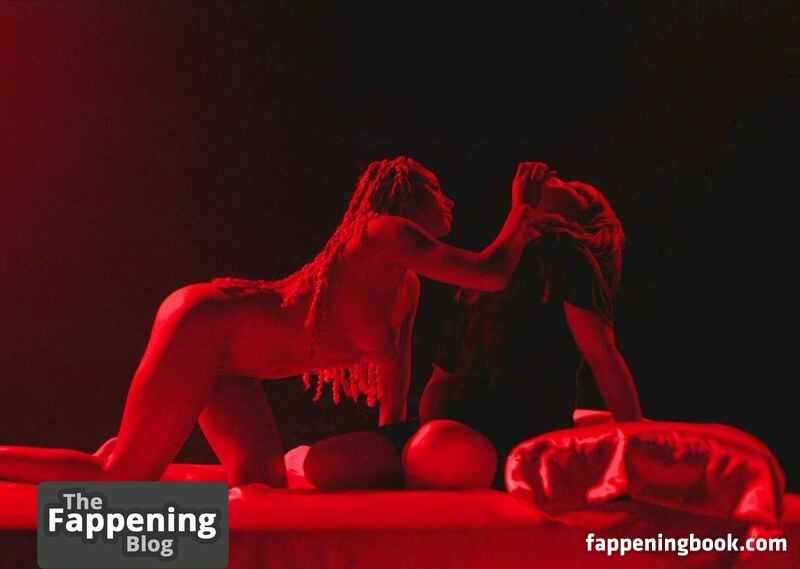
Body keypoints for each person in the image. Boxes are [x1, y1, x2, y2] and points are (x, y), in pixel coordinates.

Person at [0, 157, 554, 487]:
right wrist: (521, 210)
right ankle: (116, 452)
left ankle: (133, 442)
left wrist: (394, 464)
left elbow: (396, 385)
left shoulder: (404, 284)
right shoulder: (381, 231)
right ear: (401, 195)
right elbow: (491, 273)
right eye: (435, 187)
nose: (449, 199)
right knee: (122, 479)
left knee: (261, 480)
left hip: (237, 365)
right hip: (207, 325)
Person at [406, 162, 643, 489]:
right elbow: (441, 378)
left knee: (440, 444)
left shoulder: (565, 252)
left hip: (516, 435)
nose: (558, 178)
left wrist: (639, 442)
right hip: (454, 431)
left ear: (579, 219)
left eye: (575, 190)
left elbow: (603, 358)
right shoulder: (487, 268)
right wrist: (424, 432)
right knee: (341, 456)